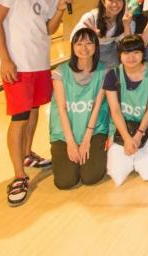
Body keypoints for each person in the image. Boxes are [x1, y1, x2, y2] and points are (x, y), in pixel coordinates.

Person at [0, 0, 72, 206]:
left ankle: (27, 154)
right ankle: (18, 176)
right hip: (17, 63)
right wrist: (5, 59)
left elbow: (48, 29)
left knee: (34, 111)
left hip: (39, 63)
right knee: (20, 117)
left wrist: (59, 10)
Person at [49, 28, 109, 189]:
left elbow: (97, 106)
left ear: (96, 46)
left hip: (94, 130)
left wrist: (86, 140)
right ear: (73, 47)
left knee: (90, 177)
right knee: (65, 181)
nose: (84, 48)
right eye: (79, 44)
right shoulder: (60, 72)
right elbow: (61, 108)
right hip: (65, 132)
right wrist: (70, 142)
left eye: (89, 43)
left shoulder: (105, 71)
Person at [103, 35, 148, 187]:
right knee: (117, 176)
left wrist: (138, 135)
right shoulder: (112, 75)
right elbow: (115, 111)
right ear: (120, 55)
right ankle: (131, 154)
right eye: (126, 53)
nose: (131, 57)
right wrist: (127, 139)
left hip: (147, 128)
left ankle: (139, 154)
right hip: (121, 129)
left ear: (143, 53)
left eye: (136, 52)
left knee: (147, 173)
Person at [72, 0, 133, 69]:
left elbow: (128, 46)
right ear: (103, 2)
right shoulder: (91, 17)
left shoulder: (126, 18)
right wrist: (91, 36)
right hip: (89, 51)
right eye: (110, 0)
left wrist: (126, 25)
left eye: (119, 0)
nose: (115, 4)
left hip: (110, 51)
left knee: (113, 74)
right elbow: (73, 40)